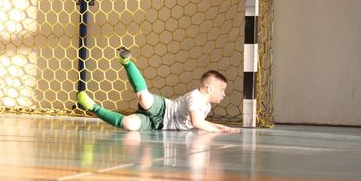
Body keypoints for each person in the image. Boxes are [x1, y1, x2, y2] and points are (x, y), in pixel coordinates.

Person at [77, 47, 240, 133]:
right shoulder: (196, 97)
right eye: (222, 90)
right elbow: (197, 123)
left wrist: (219, 126)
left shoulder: (206, 106)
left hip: (159, 125)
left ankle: (93, 108)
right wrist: (218, 130)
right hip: (163, 109)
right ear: (209, 89)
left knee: (128, 124)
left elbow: (201, 123)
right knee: (143, 96)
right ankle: (126, 62)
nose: (224, 94)